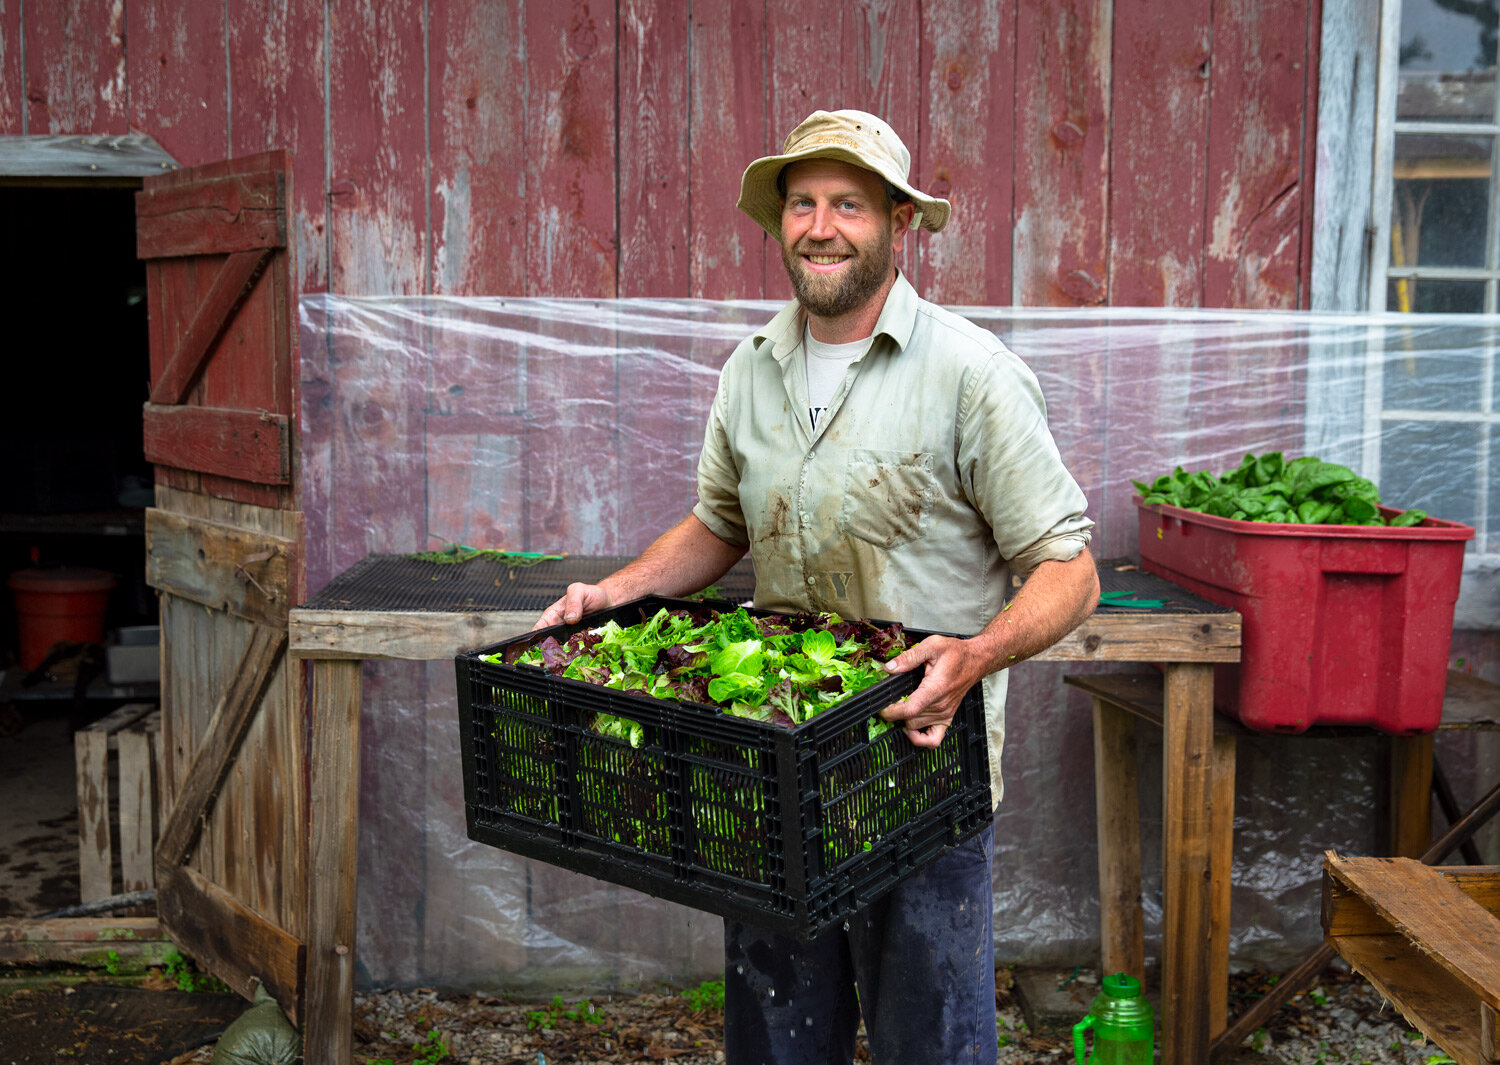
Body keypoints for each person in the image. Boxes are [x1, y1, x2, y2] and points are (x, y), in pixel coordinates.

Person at [534, 108, 1098, 1065]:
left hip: (917, 765)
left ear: (898, 225)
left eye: (849, 204)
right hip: (777, 762)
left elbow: (1069, 568)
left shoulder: (971, 376)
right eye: (802, 203)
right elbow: (720, 525)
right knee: (780, 1038)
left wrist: (977, 653)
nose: (821, 226)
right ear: (779, 221)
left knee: (932, 1040)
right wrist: (617, 593)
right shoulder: (752, 370)